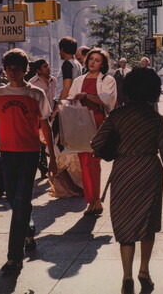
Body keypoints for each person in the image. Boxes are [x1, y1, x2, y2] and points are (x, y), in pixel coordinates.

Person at [91, 67, 163, 294]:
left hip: (124, 170)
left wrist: (114, 147)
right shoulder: (155, 119)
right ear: (152, 90)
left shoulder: (117, 115)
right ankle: (144, 270)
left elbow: (96, 143)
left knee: (125, 223)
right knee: (147, 222)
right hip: (149, 170)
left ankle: (127, 276)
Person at [0, 48, 58, 274]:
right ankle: (29, 229)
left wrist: (51, 158)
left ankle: (14, 258)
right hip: (7, 154)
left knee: (21, 200)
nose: (13, 72)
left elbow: (45, 126)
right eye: (9, 68)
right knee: (16, 201)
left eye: (17, 69)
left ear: (25, 70)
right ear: (4, 70)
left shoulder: (36, 94)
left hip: (30, 154)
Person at [68, 48, 116, 216]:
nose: (93, 62)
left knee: (93, 162)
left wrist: (86, 95)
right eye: (91, 59)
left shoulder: (108, 80)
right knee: (84, 162)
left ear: (103, 64)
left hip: (98, 123)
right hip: (80, 123)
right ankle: (91, 200)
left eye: (97, 60)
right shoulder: (79, 80)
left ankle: (95, 200)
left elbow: (106, 100)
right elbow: (71, 98)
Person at [29, 59, 57, 179]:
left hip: (53, 115)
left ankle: (53, 165)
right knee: (41, 143)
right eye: (45, 67)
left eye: (48, 66)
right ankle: (43, 168)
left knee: (53, 142)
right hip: (40, 117)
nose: (48, 68)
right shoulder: (32, 83)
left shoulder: (54, 81)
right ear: (38, 70)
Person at [54, 37, 83, 109]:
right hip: (73, 102)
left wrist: (57, 108)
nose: (59, 53)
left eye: (60, 50)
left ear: (62, 49)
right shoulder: (78, 64)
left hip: (64, 103)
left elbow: (66, 87)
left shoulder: (67, 64)